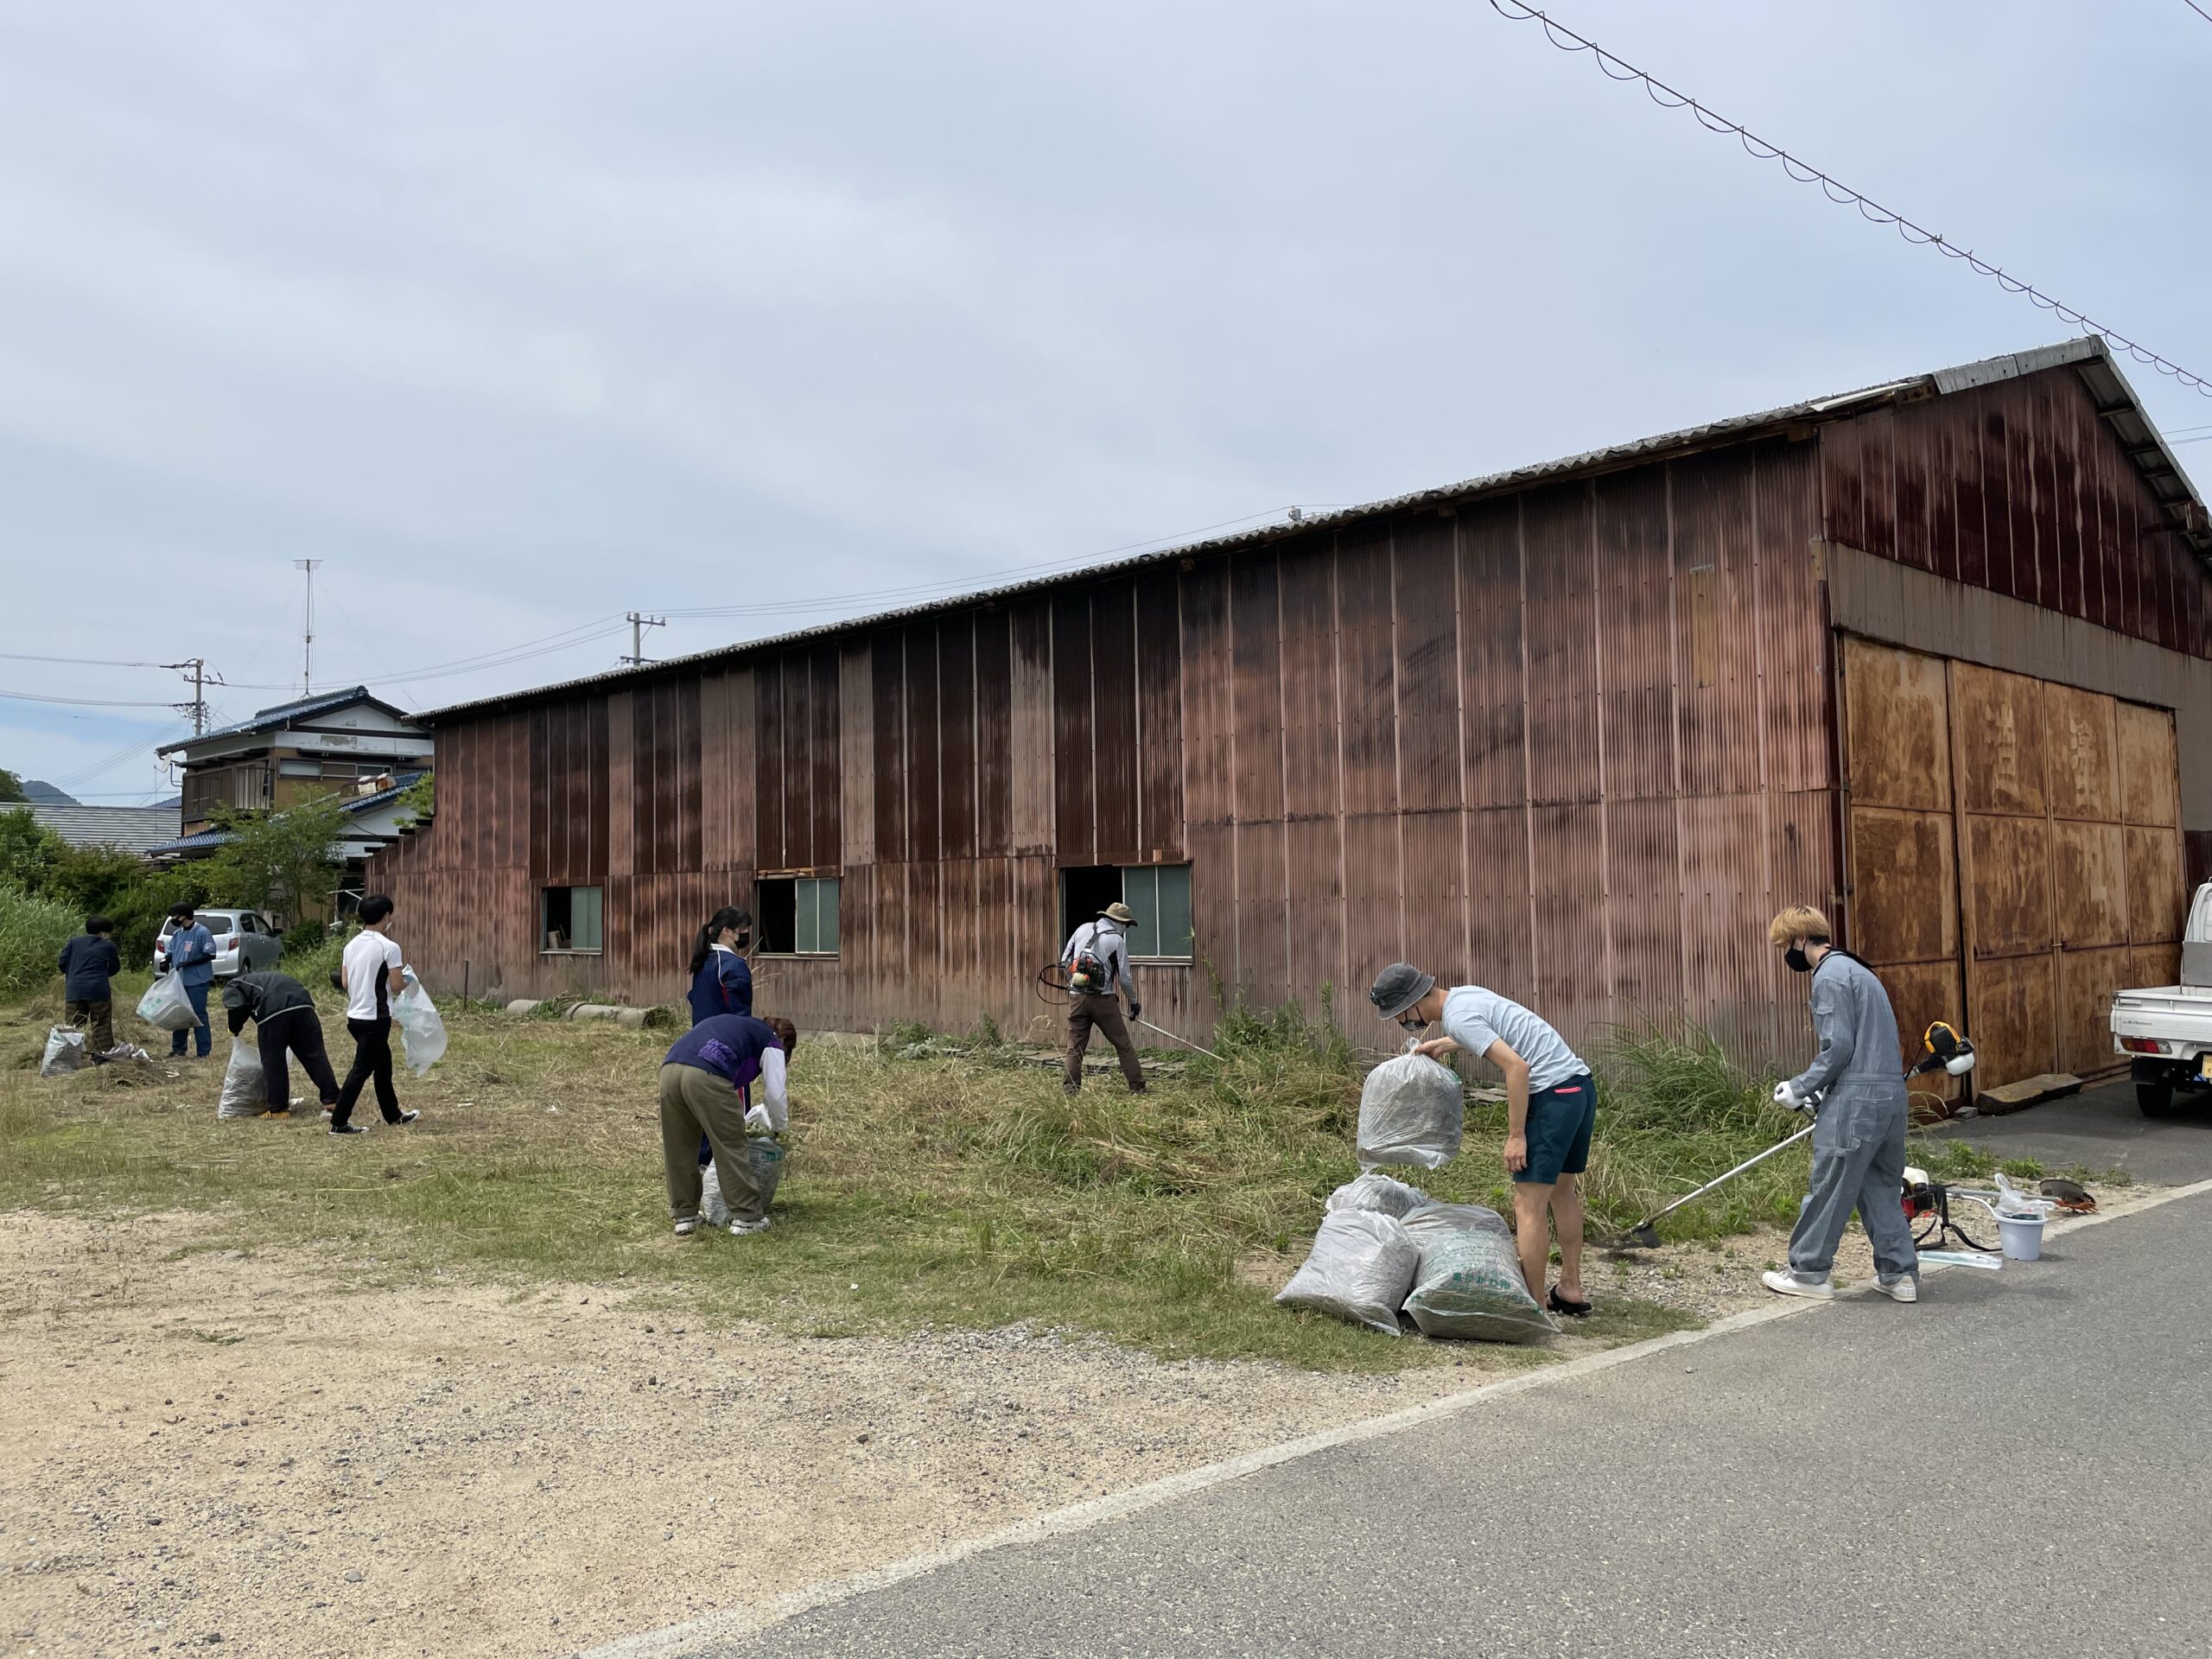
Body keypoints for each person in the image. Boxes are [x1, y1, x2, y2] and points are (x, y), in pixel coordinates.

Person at [1370, 962, 1597, 1318]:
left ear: (1411, 1003)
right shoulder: (1464, 996)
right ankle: (1569, 1287)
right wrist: (1446, 1044)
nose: (1403, 1022)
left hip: (1552, 1097)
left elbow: (1517, 1067)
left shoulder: (1459, 1017)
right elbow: (1494, 1030)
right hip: (1578, 1087)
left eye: (1400, 1015)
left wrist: (1517, 1136)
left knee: (1527, 1203)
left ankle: (1533, 1307)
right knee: (1561, 1192)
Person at [1762, 906, 1919, 1304]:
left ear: (1801, 940)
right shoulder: (1862, 972)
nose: (1787, 953)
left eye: (1785, 944)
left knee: (1830, 1185)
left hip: (1857, 1102)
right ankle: (1899, 1275)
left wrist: (1800, 1087)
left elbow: (1840, 1046)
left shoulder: (1829, 976)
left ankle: (1809, 1271)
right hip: (1892, 1097)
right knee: (1881, 1186)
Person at [659, 1013, 795, 1237]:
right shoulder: (771, 1041)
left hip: (670, 1069)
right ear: (785, 1044)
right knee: (730, 1143)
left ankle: (685, 1215)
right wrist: (780, 1130)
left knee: (679, 1146)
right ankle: (747, 1217)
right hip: (707, 1073)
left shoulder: (736, 1026)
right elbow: (776, 1095)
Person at [333, 894, 419, 1134]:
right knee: (361, 1070)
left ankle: (393, 1115)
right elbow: (397, 984)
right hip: (376, 1018)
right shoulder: (389, 947)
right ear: (386, 916)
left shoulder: (351, 946)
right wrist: (409, 977)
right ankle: (339, 1122)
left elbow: (345, 981)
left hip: (355, 1016)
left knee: (383, 1065)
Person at [223, 970, 346, 1121]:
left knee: (273, 1061)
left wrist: (234, 1028)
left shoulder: (234, 984)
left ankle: (278, 1109)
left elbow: (238, 1007)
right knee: (314, 1055)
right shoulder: (265, 977)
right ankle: (333, 1099)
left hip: (275, 1011)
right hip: (305, 1007)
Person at [1059, 901, 1146, 1096]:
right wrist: (1134, 1002)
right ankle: (1138, 1087)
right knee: (1123, 1045)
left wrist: (1074, 982)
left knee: (1075, 1047)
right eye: (1127, 925)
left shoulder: (1082, 929)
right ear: (1120, 923)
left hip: (1078, 999)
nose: (1126, 930)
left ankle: (1070, 1091)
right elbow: (1124, 979)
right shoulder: (1116, 941)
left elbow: (1064, 961)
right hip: (1104, 1000)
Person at [158, 904, 217, 1059]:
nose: (173, 919)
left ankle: (204, 1051)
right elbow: (170, 952)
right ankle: (178, 1049)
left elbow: (210, 954)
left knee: (198, 1014)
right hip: (180, 981)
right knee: (180, 1015)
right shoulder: (178, 934)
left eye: (175, 916)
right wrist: (165, 960)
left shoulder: (202, 933)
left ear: (184, 916)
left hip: (197, 980)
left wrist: (189, 963)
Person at [58, 915, 122, 1058]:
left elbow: (62, 963)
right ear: (102, 933)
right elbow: (115, 968)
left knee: (72, 1026)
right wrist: (103, 973)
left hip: (75, 990)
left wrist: (74, 973)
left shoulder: (73, 942)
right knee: (101, 1024)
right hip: (98, 991)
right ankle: (103, 1056)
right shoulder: (108, 946)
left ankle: (69, 1057)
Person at [687, 906, 754, 1026]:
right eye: (743, 928)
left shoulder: (703, 960)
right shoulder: (734, 965)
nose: (746, 933)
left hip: (701, 1037)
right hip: (725, 1039)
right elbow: (740, 1015)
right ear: (727, 931)